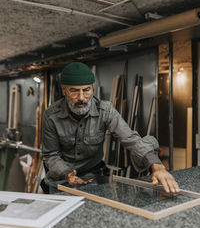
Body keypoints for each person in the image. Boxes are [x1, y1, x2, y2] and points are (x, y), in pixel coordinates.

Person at [42, 62, 180, 194]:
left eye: (86, 90)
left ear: (92, 88)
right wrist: (67, 174)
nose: (82, 97)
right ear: (64, 90)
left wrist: (156, 165)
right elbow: (51, 155)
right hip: (61, 180)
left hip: (93, 177)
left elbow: (131, 139)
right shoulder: (51, 116)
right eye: (74, 91)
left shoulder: (105, 111)